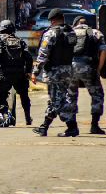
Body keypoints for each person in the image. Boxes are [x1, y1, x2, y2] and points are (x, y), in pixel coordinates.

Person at [31, 8, 78, 137]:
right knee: (57, 99)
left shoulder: (50, 34)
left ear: (52, 20)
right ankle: (44, 127)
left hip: (54, 72)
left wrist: (35, 72)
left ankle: (72, 126)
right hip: (68, 70)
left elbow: (43, 55)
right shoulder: (71, 32)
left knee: (58, 101)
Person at [66, 16, 106, 134]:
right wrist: (99, 69)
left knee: (71, 96)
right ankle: (94, 125)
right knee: (97, 95)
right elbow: (104, 50)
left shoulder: (69, 33)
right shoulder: (95, 32)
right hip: (88, 66)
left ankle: (72, 126)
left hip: (71, 68)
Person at [0, 20, 33, 127]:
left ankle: (6, 116)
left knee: (1, 96)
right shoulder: (19, 40)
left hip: (5, 74)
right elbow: (28, 57)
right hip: (20, 74)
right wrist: (28, 71)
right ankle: (27, 117)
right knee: (24, 95)